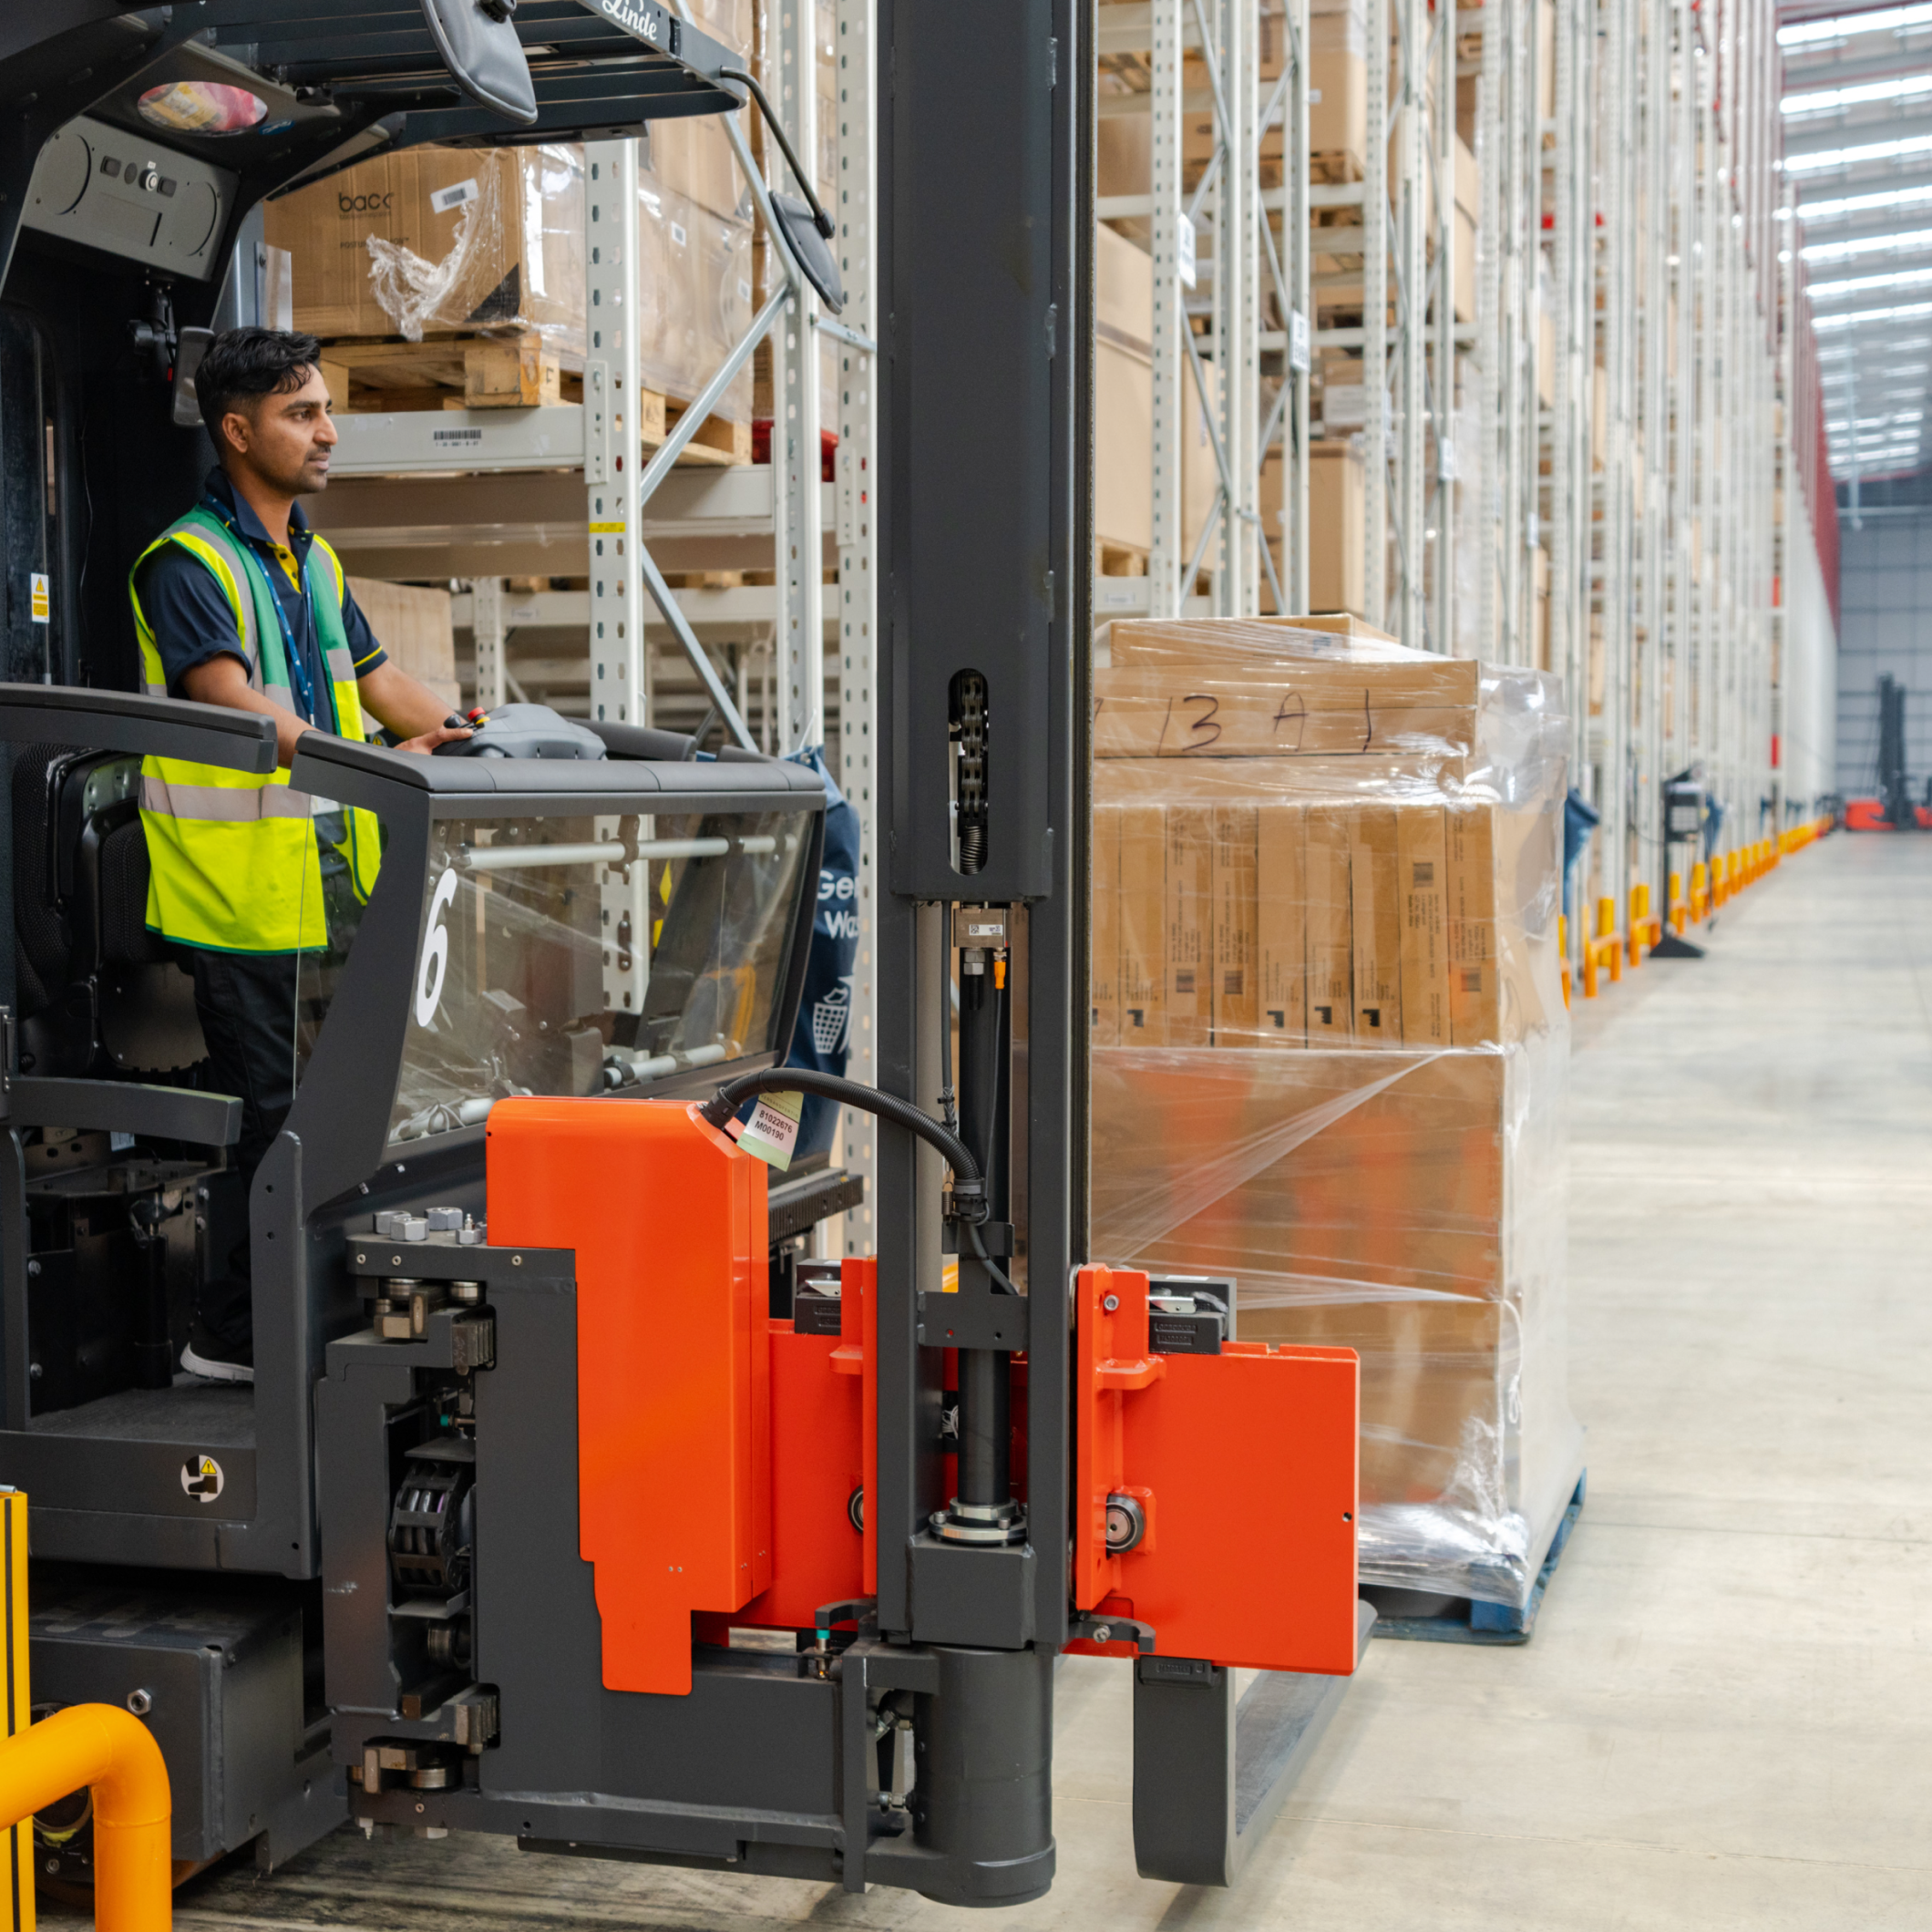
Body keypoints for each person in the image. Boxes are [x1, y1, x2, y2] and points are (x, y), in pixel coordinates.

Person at [129, 327, 473, 1383]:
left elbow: (376, 682)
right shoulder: (185, 563)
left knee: (348, 1120)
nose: (326, 432)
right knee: (277, 1126)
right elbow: (231, 704)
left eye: (325, 409)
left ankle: (300, 1323)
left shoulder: (310, 561)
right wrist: (378, 758)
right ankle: (230, 1342)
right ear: (236, 431)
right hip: (243, 901)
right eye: (299, 413)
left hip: (334, 890)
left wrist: (476, 731)